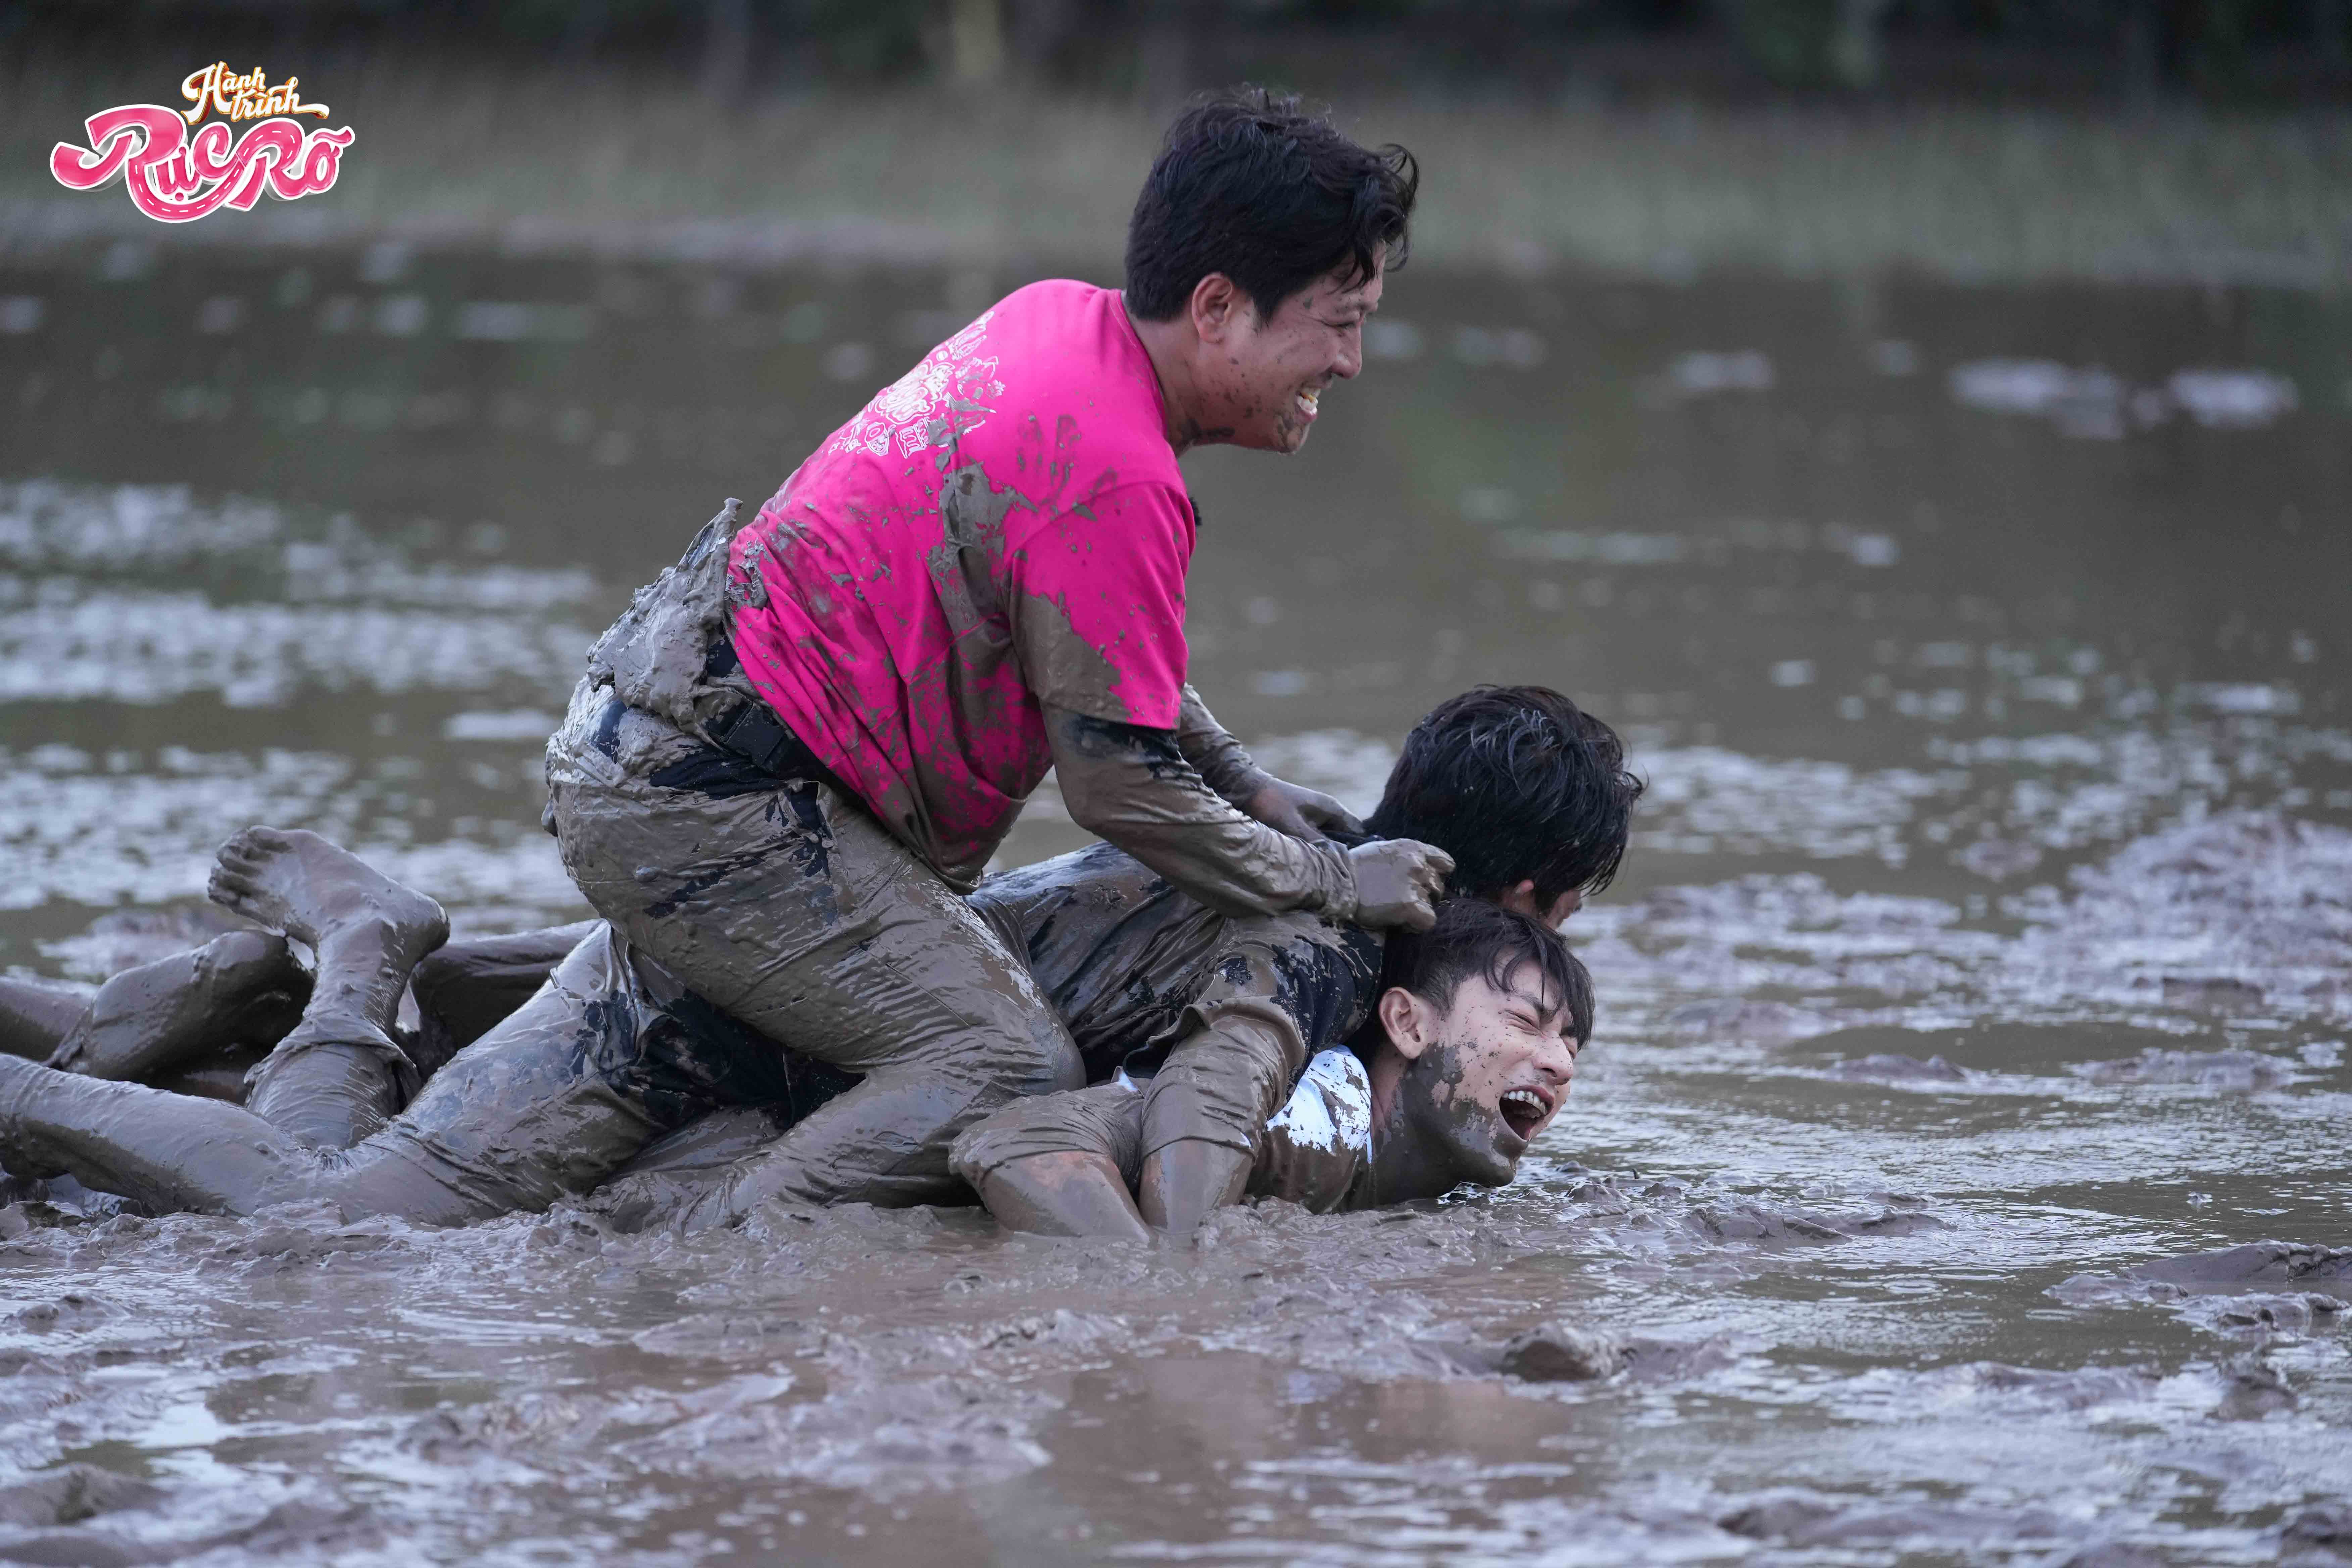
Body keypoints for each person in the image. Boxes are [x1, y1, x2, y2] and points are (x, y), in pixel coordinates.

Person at [539, 88, 1453, 1219]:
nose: (1351, 360)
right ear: (1218, 308)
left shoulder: (1056, 323)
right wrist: (1331, 879)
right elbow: (1116, 786)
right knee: (1004, 1059)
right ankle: (712, 1243)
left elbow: (1093, 651)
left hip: (648, 744)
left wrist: (1247, 786)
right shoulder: (1116, 467)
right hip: (728, 803)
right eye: (1338, 319)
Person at [0, 687, 1638, 1227]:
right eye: (1547, 932)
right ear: (1513, 889)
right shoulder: (1331, 935)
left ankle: (343, 974)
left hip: (781, 988)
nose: (1542, 979)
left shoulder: (1299, 853)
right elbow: (1191, 1122)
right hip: (744, 1013)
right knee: (326, 1215)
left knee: (403, 1082)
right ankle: (359, 950)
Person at [952, 898, 1590, 1239]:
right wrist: (1158, 1290)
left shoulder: (1439, 1182)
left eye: (1570, 1042)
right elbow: (1021, 1141)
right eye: (1525, 1023)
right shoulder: (1313, 1122)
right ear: (1408, 1025)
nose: (1559, 1063)